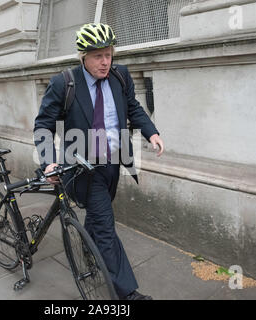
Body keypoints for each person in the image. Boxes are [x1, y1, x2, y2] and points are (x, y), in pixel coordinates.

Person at [34, 23, 164, 300]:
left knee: (96, 216)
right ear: (83, 56)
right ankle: (127, 293)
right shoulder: (64, 83)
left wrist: (151, 133)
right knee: (105, 225)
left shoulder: (121, 76)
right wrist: (47, 162)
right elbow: (43, 126)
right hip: (81, 167)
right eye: (97, 56)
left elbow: (133, 108)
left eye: (109, 54)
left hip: (114, 163)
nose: (105, 62)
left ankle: (88, 247)